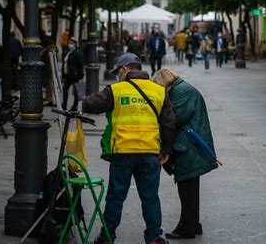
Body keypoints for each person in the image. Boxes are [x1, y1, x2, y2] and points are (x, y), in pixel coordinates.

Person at [83, 52, 175, 244]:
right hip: (150, 153)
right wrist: (165, 151)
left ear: (125, 69)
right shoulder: (158, 91)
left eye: (118, 72)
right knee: (150, 198)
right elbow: (168, 124)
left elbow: (89, 104)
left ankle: (107, 237)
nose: (118, 75)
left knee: (115, 197)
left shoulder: (115, 90)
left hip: (122, 153)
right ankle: (153, 238)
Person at [153, 68, 218, 240]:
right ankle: (193, 224)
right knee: (190, 188)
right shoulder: (182, 89)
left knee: (186, 189)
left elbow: (174, 118)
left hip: (188, 147)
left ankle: (186, 228)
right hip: (189, 145)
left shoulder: (182, 91)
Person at [61, 37, 84, 111]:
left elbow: (80, 64)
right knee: (65, 89)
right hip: (68, 75)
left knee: (76, 91)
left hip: (74, 75)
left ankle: (75, 106)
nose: (69, 44)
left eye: (71, 43)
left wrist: (80, 75)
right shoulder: (68, 52)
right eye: (69, 42)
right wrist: (63, 74)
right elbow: (65, 63)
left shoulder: (77, 53)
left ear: (75, 44)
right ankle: (64, 104)